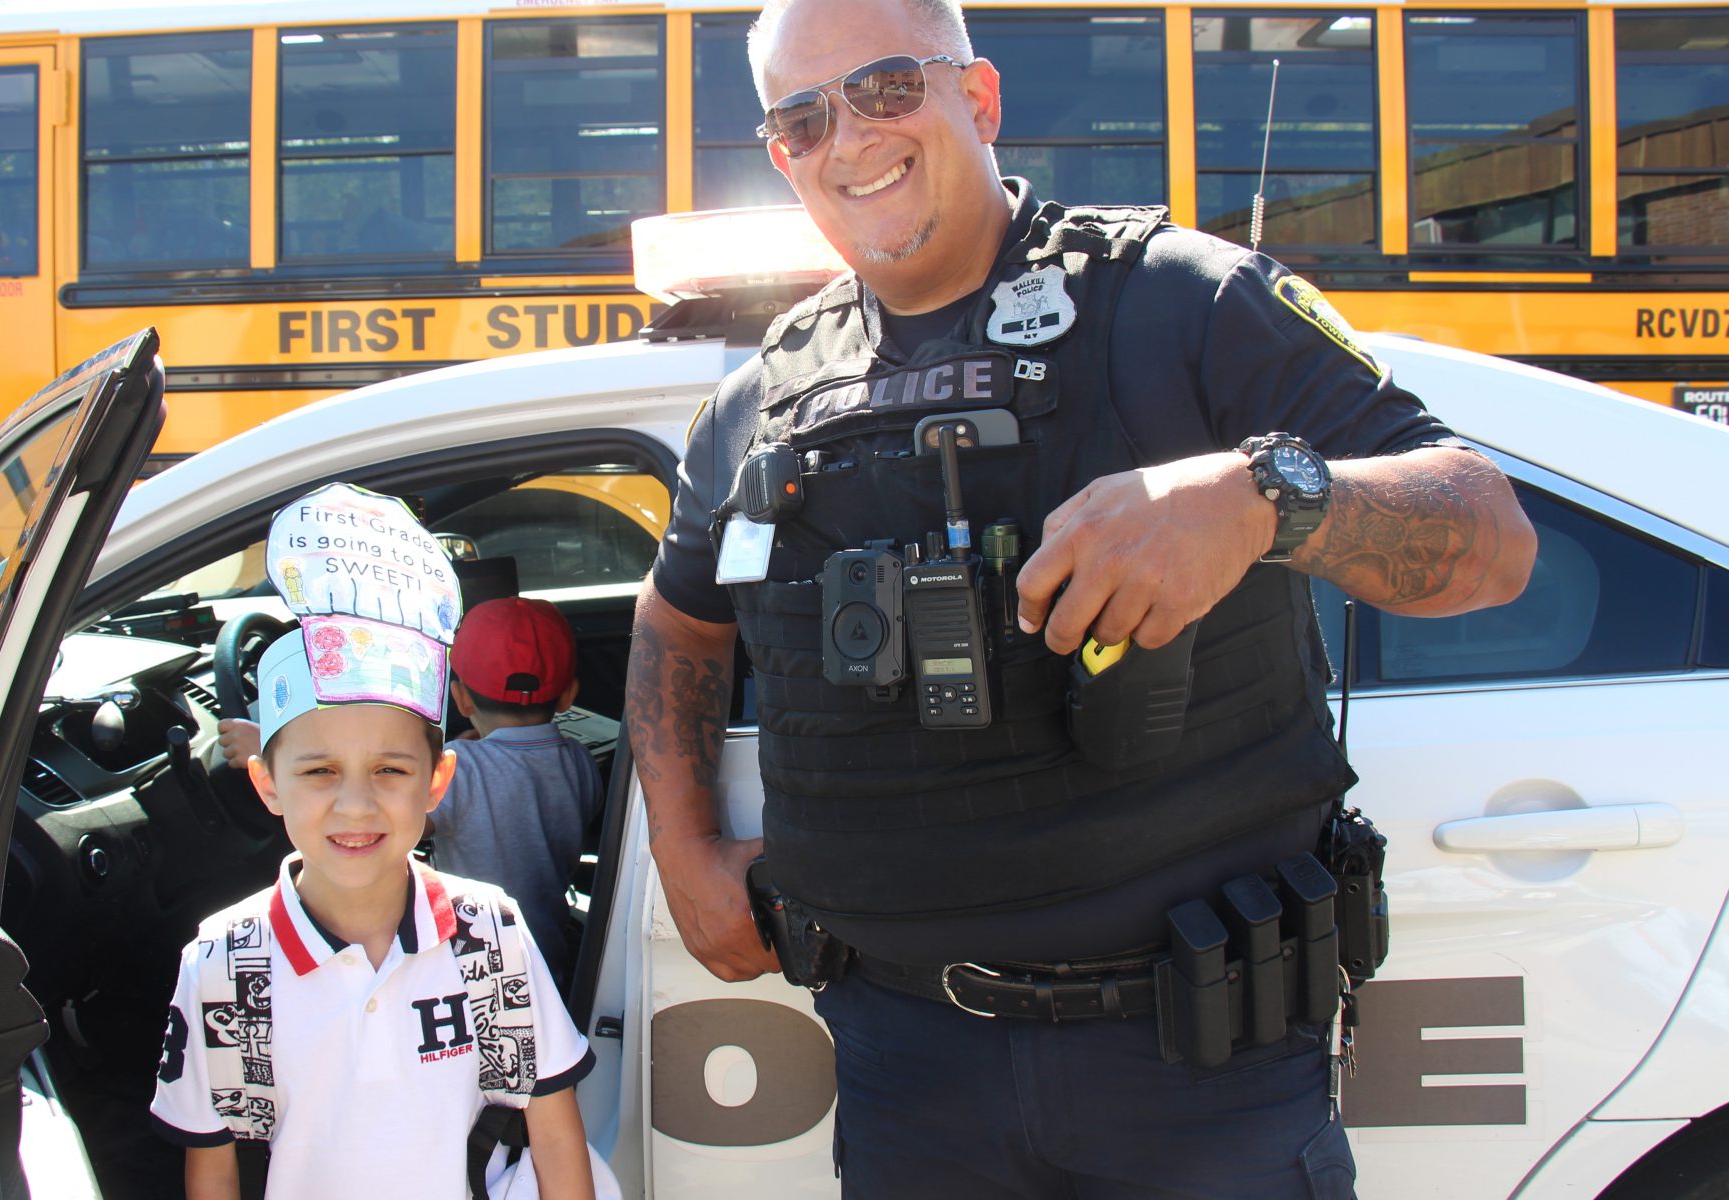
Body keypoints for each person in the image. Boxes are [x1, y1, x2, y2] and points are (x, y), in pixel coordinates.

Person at [625, 1, 1538, 1197]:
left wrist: (1260, 498)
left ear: (980, 98)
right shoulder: (763, 399)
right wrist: (684, 846)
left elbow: (1489, 535)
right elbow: (676, 614)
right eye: (801, 116)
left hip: (1196, 1067)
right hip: (907, 1075)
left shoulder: (1178, 302)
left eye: (887, 87)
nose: (847, 137)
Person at [152, 485, 596, 1200]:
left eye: (390, 769)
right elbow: (213, 1164)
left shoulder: (491, 935)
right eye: (319, 771)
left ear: (437, 780)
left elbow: (553, 1133)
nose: (355, 804)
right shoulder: (222, 964)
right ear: (268, 785)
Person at [430, 596, 603, 978]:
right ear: (568, 696)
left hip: (474, 971)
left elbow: (395, 818)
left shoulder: (457, 768)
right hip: (550, 956)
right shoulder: (579, 762)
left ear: (460, 699)